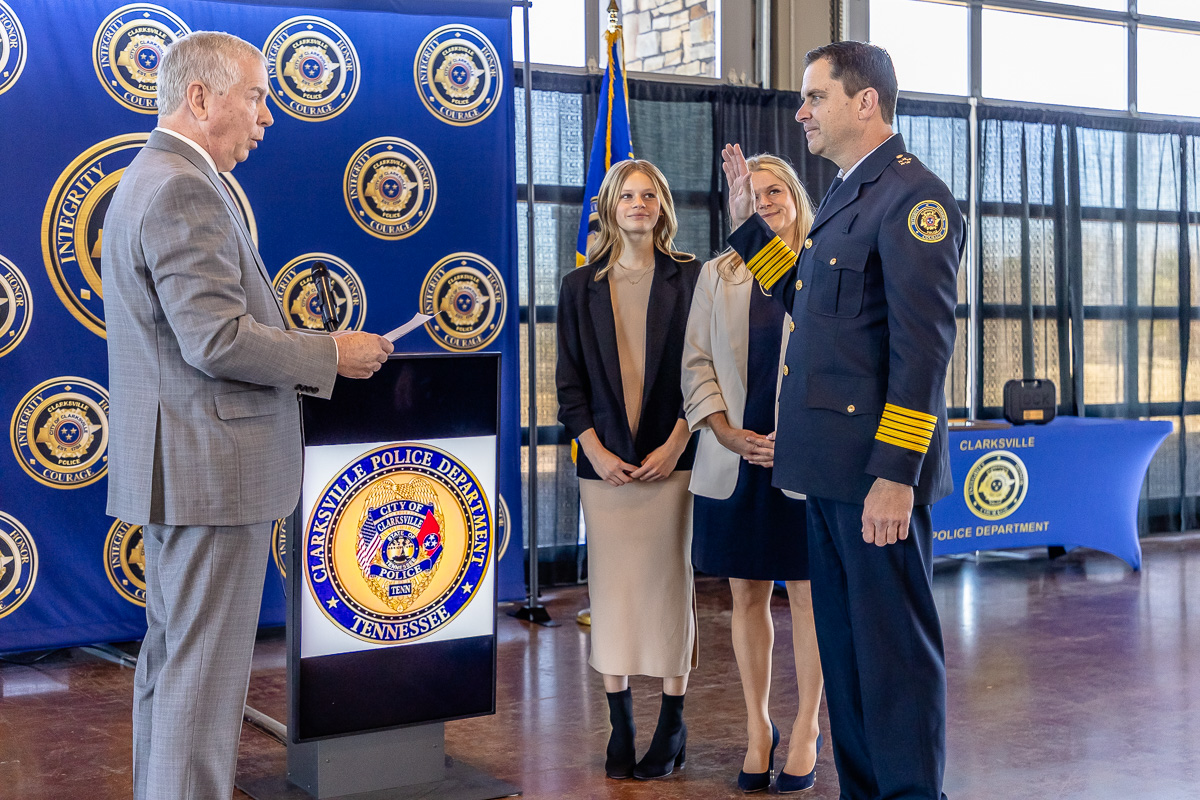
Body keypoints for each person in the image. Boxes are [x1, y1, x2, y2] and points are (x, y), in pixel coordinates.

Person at [101, 31, 392, 800]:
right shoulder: (182, 186)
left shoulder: (152, 178)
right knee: (201, 680)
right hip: (210, 473)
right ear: (200, 99)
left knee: (175, 669)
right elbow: (216, 338)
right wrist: (328, 353)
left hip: (188, 468)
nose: (267, 117)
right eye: (257, 97)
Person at [720, 41, 964, 800]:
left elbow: (922, 354)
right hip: (827, 474)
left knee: (893, 660)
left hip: (872, 481)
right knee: (851, 656)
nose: (801, 112)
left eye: (815, 97)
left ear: (867, 102)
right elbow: (811, 306)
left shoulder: (914, 200)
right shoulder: (845, 197)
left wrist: (896, 475)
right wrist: (749, 234)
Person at [682, 153, 826, 794]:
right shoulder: (718, 273)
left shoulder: (820, 267)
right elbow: (696, 364)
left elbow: (833, 370)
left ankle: (805, 729)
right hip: (734, 460)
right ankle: (758, 726)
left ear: (796, 198)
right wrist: (726, 432)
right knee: (746, 593)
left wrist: (792, 440)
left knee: (807, 596)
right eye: (752, 191)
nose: (764, 199)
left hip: (803, 463)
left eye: (775, 190)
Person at [556, 159, 701, 781]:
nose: (638, 204)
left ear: (663, 207)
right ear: (609, 207)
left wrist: (676, 443)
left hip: (672, 462)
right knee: (611, 595)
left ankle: (672, 723)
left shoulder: (693, 278)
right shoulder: (577, 285)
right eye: (627, 195)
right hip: (606, 468)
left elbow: (708, 373)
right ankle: (621, 723)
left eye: (649, 195)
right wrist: (594, 449)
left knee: (671, 590)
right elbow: (568, 386)